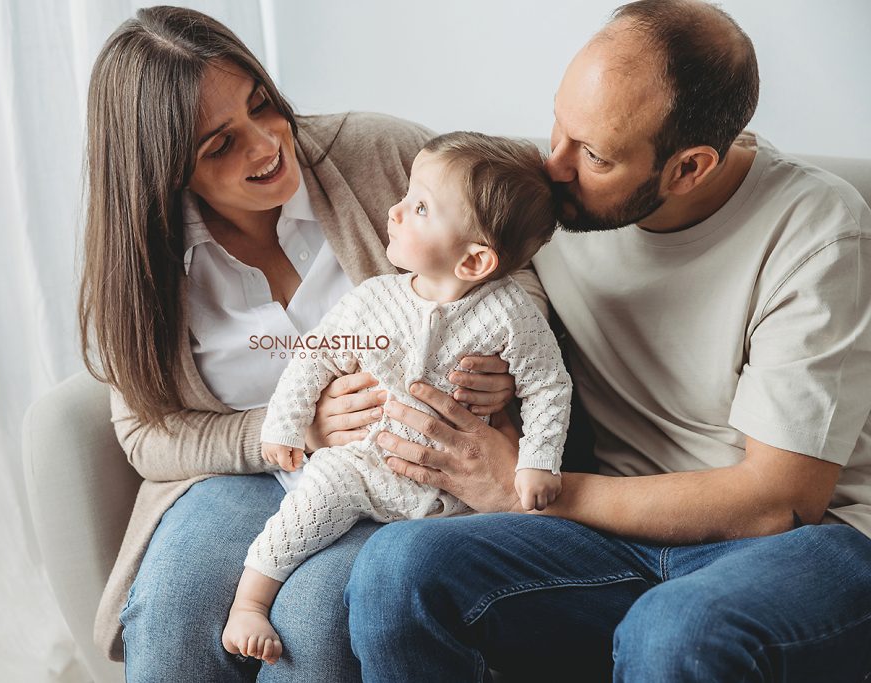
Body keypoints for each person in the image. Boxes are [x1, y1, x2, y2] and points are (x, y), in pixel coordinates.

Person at [344, 1, 871, 681]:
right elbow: (469, 280)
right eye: (558, 124)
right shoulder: (549, 200)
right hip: (612, 539)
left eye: (593, 155)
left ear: (688, 168)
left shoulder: (816, 234)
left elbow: (778, 500)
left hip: (804, 545)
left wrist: (522, 486)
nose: (554, 164)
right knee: (396, 570)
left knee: (677, 629)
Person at [77, 7, 533, 681]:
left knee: (314, 620)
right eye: (219, 146)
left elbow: (512, 258)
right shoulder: (136, 259)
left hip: (388, 471)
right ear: (164, 169)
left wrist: (501, 369)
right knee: (173, 611)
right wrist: (288, 429)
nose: (266, 145)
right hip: (236, 479)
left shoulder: (379, 154)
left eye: (262, 106)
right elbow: (146, 435)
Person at [221, 132, 571, 665]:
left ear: (475, 262)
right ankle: (251, 601)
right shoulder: (373, 301)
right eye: (408, 197)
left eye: (421, 207)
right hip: (364, 461)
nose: (395, 210)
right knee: (308, 505)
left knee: (470, 555)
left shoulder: (509, 314)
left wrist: (539, 461)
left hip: (454, 485)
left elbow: (547, 385)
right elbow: (315, 356)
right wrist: (284, 425)